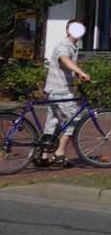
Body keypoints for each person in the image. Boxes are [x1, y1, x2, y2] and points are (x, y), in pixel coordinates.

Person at [40, 20, 91, 163]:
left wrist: (76, 76)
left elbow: (66, 65)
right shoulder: (64, 45)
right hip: (60, 90)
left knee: (53, 121)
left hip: (54, 89)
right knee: (75, 119)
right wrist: (81, 72)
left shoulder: (72, 46)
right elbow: (64, 59)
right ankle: (59, 152)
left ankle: (43, 155)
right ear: (68, 31)